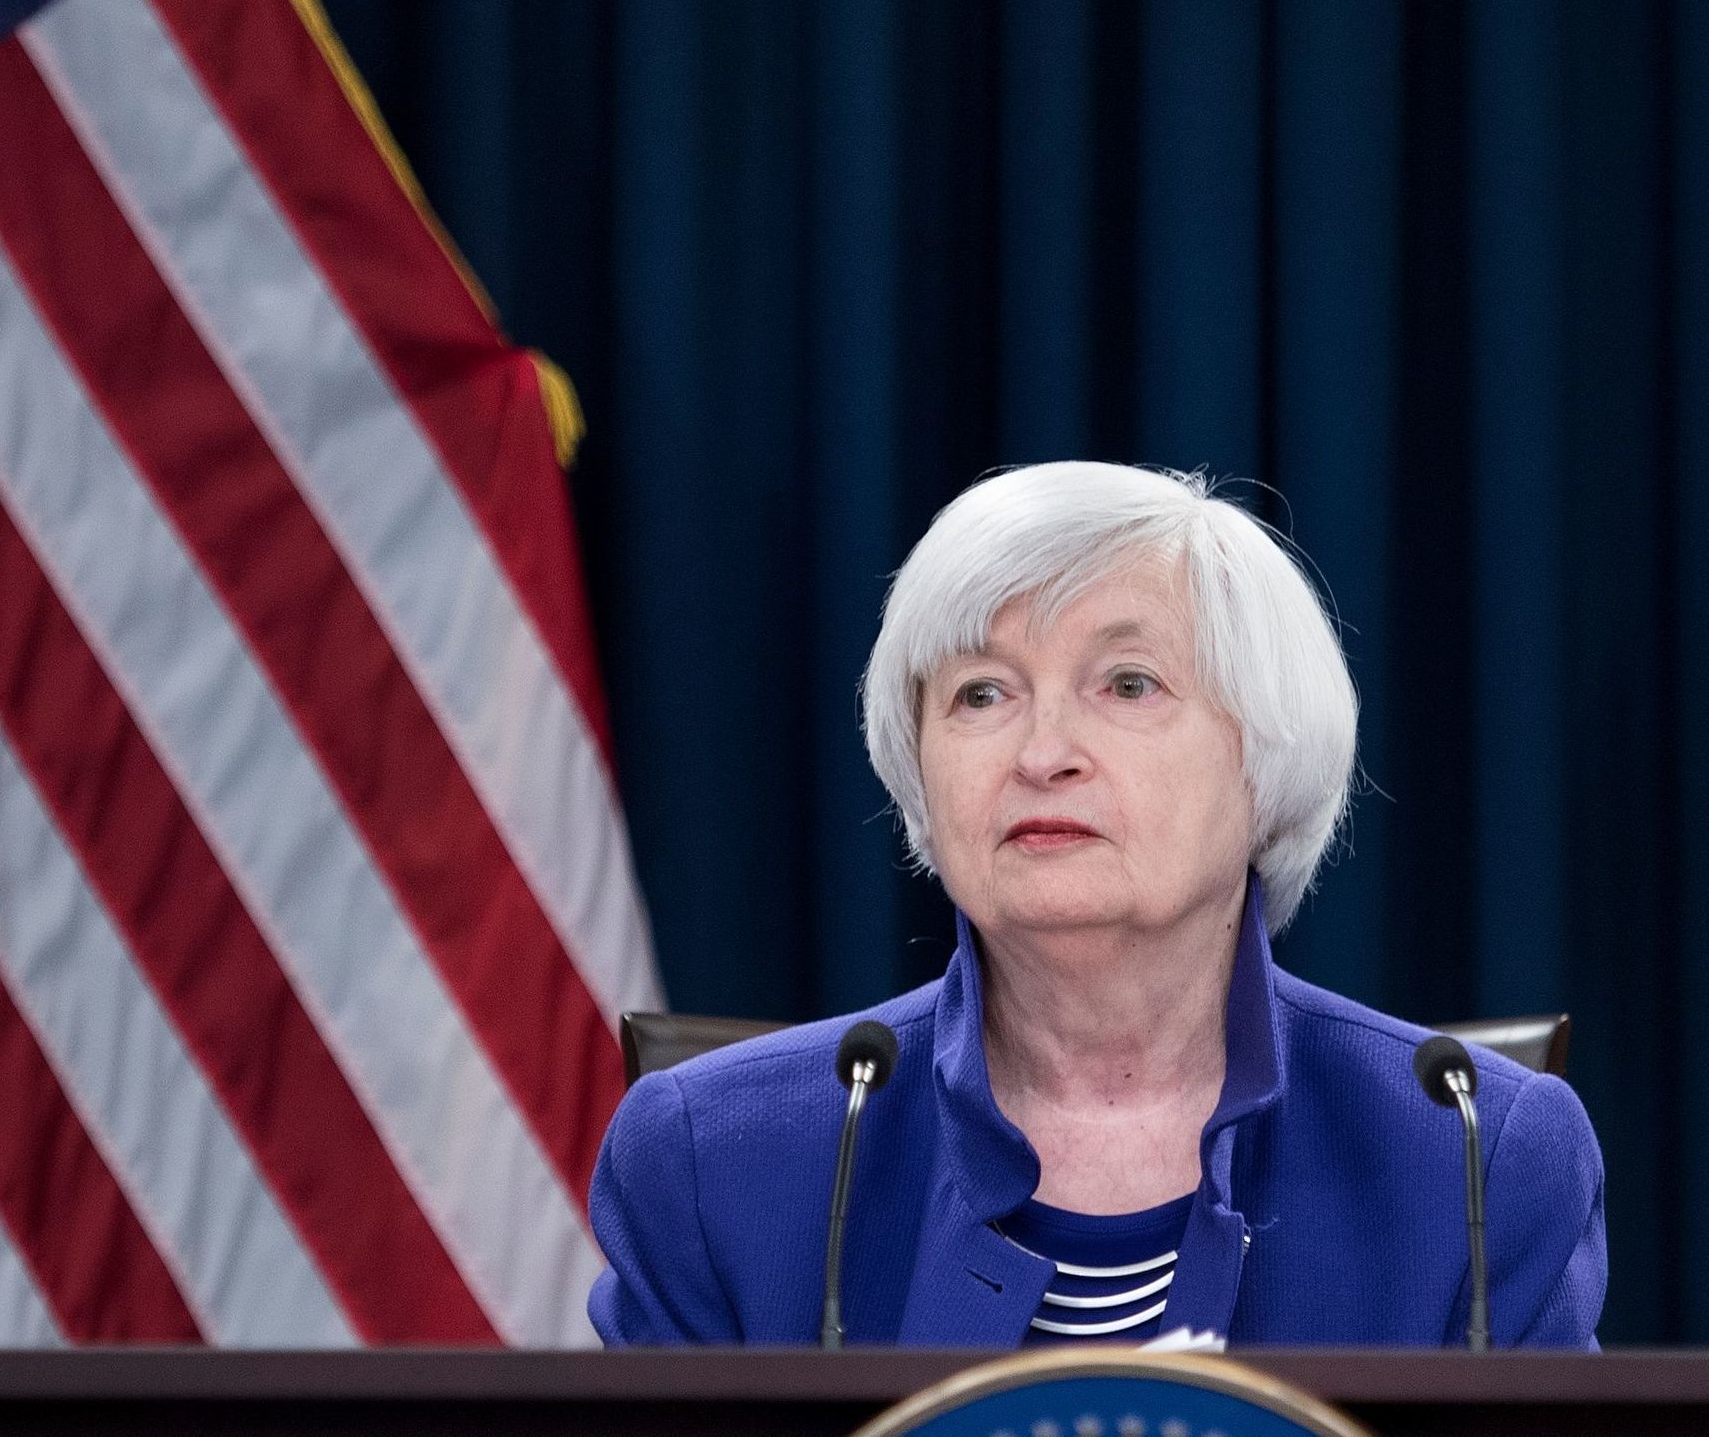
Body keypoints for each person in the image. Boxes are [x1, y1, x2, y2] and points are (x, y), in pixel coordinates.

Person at [588, 462, 1605, 1347]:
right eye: (981, 693)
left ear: (1268, 758)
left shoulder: (1475, 1157)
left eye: (1127, 683)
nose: (1042, 754)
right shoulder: (708, 1161)